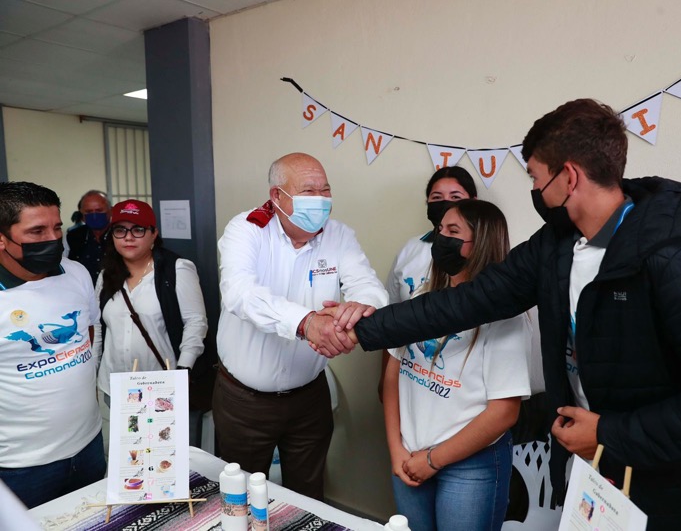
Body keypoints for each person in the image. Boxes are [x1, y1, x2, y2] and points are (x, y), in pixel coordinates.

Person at [328, 99, 681, 530]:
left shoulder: (670, 257)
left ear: (568, 177)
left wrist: (609, 433)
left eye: (535, 178)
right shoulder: (556, 247)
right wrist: (361, 329)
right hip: (590, 478)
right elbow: (464, 303)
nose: (534, 190)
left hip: (670, 495)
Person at [213, 152, 388, 500]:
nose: (321, 200)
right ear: (277, 196)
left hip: (309, 399)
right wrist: (307, 323)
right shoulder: (246, 230)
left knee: (308, 496)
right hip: (245, 402)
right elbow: (239, 294)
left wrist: (353, 315)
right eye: (309, 191)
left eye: (326, 190)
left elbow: (370, 289)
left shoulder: (339, 236)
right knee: (241, 499)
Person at [385, 199, 532, 531]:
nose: (441, 239)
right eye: (440, 230)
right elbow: (393, 371)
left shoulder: (504, 317)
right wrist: (396, 448)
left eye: (453, 231)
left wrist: (433, 460)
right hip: (408, 455)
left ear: (481, 243)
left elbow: (504, 412)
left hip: (470, 466)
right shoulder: (423, 298)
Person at [0, 181, 105, 508]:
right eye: (37, 231)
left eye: (57, 228)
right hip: (22, 465)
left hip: (89, 444)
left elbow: (89, 333)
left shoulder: (76, 273)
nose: (53, 239)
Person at [94, 199, 208, 406]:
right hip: (115, 384)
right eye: (120, 230)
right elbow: (98, 327)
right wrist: (92, 371)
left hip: (162, 384)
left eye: (138, 230)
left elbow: (196, 322)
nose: (128, 237)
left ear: (154, 233)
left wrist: (184, 368)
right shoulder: (106, 275)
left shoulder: (177, 270)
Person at [379, 166, 478, 400]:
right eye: (437, 197)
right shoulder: (410, 249)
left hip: (460, 388)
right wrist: (384, 379)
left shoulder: (487, 257)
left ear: (474, 202)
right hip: (409, 378)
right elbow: (390, 318)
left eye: (455, 196)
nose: (446, 204)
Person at [65, 190, 112, 285]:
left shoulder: (120, 235)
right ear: (82, 214)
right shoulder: (73, 236)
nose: (94, 215)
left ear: (110, 210)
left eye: (99, 210)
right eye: (89, 212)